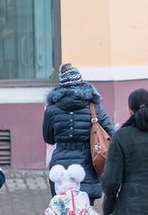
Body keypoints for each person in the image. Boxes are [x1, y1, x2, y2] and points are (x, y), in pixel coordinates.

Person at [42, 62, 115, 203]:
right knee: (85, 213)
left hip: (60, 166)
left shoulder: (51, 110)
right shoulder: (94, 107)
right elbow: (111, 132)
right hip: (87, 164)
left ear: (61, 83)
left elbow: (49, 138)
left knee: (63, 212)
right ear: (80, 81)